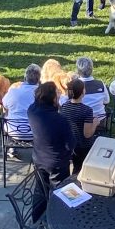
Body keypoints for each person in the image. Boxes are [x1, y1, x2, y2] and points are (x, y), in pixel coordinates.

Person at [27, 81, 74, 220]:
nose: (59, 95)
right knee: (60, 192)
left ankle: (36, 218)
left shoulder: (32, 110)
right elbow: (70, 144)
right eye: (57, 94)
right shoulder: (60, 119)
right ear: (52, 98)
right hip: (57, 163)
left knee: (40, 190)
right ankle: (58, 220)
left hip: (38, 158)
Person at [60, 78, 96, 170]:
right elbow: (87, 134)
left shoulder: (64, 106)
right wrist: (95, 123)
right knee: (82, 169)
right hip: (83, 146)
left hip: (69, 144)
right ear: (82, 92)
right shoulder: (87, 110)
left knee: (76, 167)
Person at [1, 63, 41, 139]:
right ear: (39, 79)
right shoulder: (42, 94)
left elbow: (4, 105)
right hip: (35, 132)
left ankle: (11, 147)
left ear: (25, 78)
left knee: (5, 114)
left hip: (13, 131)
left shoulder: (13, 92)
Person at [76, 56, 108, 123]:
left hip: (79, 123)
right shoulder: (101, 84)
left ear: (78, 71)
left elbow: (65, 102)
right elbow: (106, 101)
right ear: (92, 69)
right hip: (100, 122)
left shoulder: (73, 85)